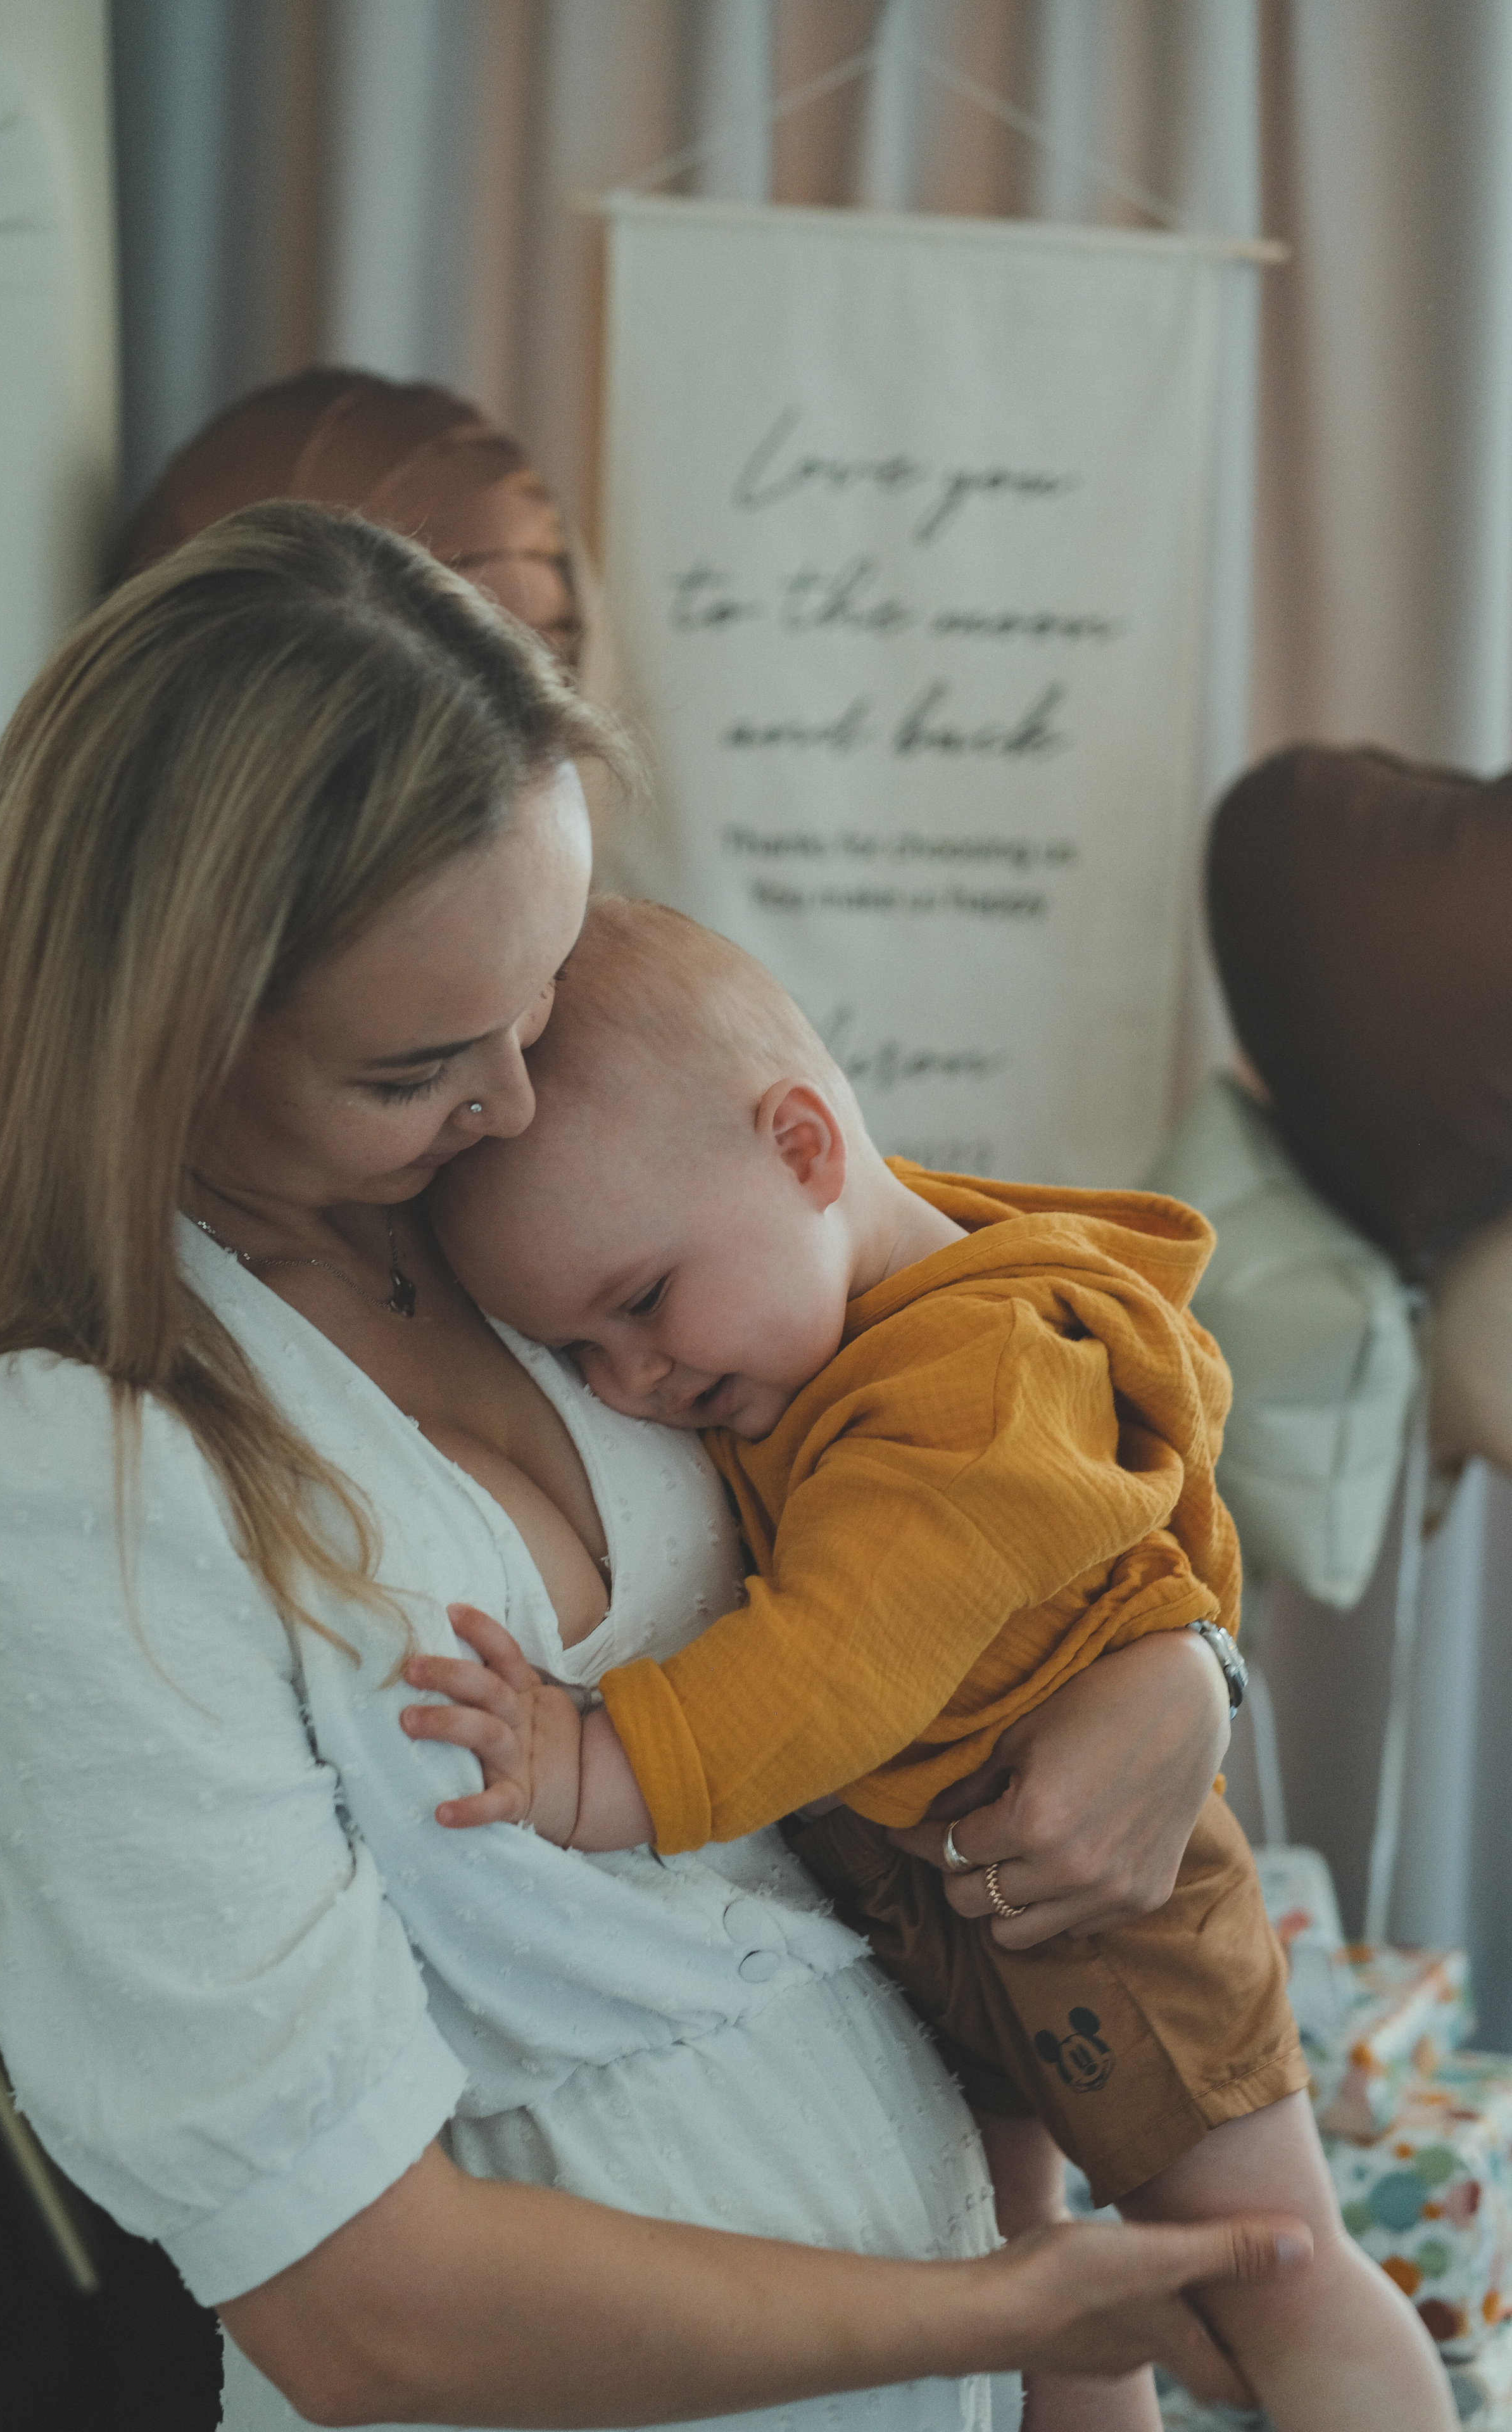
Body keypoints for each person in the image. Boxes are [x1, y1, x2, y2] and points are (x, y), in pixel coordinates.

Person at [0, 502, 1311, 2432]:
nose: (510, 1100)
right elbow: (358, 2308)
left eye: (538, 997)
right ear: (179, 1032)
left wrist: (1186, 1671)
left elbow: (1023, 1406)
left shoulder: (548, 1199)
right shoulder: (81, 1457)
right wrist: (1007, 2311)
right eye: (417, 1067)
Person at [416, 896, 1456, 2432]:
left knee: (1264, 2266)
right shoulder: (825, 1327)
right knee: (1039, 2279)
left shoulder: (968, 1376)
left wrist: (592, 1762)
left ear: (802, 1148)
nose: (633, 1380)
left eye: (640, 1302)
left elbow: (832, 1665)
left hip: (1110, 1920)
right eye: (579, 1354)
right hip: (932, 1910)